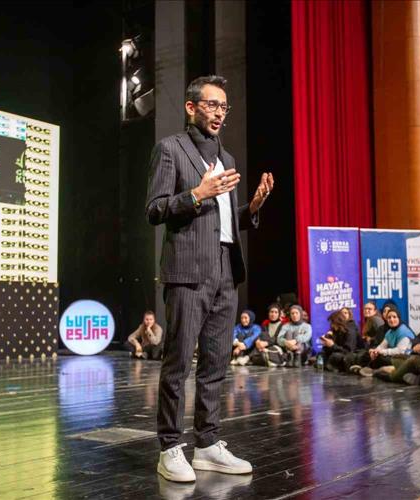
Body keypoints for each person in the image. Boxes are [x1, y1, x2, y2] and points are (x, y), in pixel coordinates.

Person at [146, 74, 274, 482]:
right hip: (187, 271)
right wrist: (196, 194)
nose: (219, 113)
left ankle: (207, 444)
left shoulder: (227, 159)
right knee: (178, 363)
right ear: (191, 107)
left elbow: (223, 222)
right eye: (212, 105)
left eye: (224, 107)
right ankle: (170, 447)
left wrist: (252, 208)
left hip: (225, 270)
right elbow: (155, 209)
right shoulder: (171, 149)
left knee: (216, 363)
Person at [358, 309, 415, 376]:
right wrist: (375, 351)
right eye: (389, 317)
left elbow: (400, 351)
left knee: (380, 359)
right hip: (394, 356)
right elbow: (382, 345)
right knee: (369, 354)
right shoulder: (390, 332)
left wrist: (381, 352)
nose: (391, 319)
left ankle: (373, 371)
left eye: (394, 317)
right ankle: (363, 368)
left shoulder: (404, 331)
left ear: (399, 318)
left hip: (404, 359)